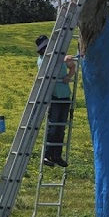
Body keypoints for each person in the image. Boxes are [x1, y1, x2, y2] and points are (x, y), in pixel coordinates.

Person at [35, 34, 77, 168]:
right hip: (53, 97)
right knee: (53, 127)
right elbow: (50, 69)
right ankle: (47, 154)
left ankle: (57, 155)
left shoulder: (59, 57)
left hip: (64, 95)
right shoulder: (42, 60)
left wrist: (68, 76)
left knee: (61, 127)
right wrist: (63, 59)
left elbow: (72, 66)